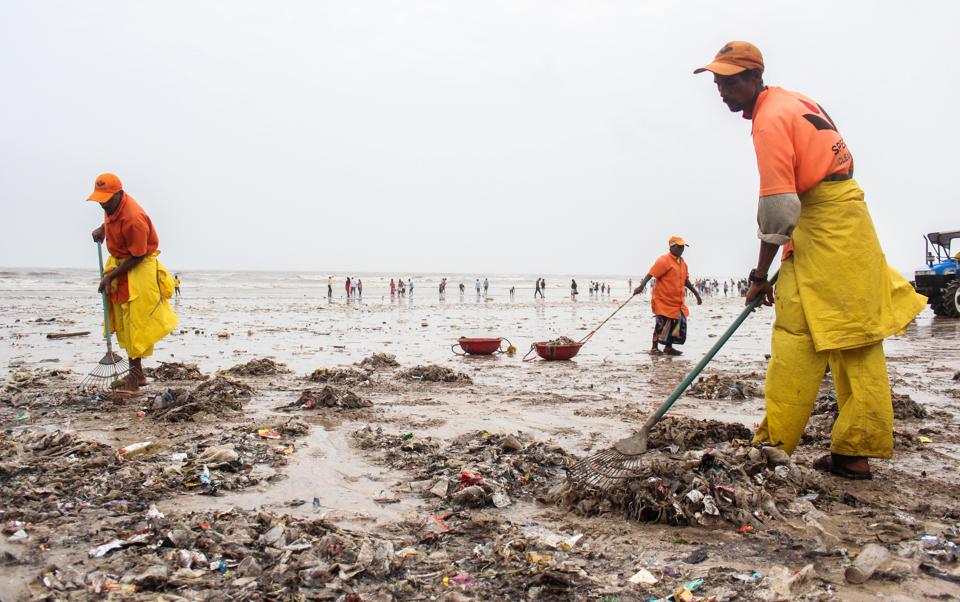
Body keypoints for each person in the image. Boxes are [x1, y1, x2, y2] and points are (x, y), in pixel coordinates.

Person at [695, 41, 926, 479]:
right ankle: (855, 451)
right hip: (848, 222)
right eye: (717, 82)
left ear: (753, 77)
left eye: (728, 81)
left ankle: (773, 446)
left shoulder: (768, 121)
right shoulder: (797, 100)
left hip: (823, 223)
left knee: (797, 338)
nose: (721, 90)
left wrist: (759, 274)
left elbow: (779, 206)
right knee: (856, 337)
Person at [87, 173, 178, 392]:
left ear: (119, 194)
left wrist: (110, 276)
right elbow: (112, 216)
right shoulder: (113, 208)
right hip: (122, 267)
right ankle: (138, 375)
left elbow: (137, 256)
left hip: (138, 269)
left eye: (107, 199)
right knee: (124, 321)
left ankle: (134, 379)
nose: (103, 204)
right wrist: (103, 228)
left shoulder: (133, 218)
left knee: (136, 324)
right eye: (100, 199)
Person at [634, 236, 703, 356]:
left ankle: (668, 347)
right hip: (663, 299)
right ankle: (654, 347)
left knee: (676, 323)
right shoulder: (664, 260)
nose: (681, 249)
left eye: (683, 247)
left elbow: (686, 281)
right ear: (672, 246)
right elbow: (650, 274)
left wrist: (696, 294)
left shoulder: (682, 263)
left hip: (677, 301)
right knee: (661, 324)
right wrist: (641, 286)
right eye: (679, 246)